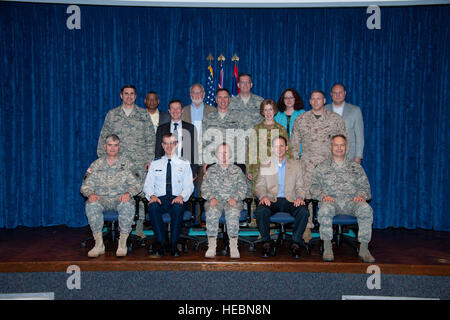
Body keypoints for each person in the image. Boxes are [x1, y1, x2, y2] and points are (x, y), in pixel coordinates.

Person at [97, 84, 155, 239]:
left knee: (140, 195)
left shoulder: (143, 114)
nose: (129, 96)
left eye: (132, 94)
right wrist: (103, 160)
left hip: (139, 163)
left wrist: (150, 160)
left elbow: (150, 139)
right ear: (121, 96)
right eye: (126, 94)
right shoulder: (112, 114)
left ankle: (139, 226)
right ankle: (119, 226)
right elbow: (104, 137)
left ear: (135, 97)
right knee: (118, 193)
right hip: (117, 164)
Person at [290, 90, 348, 243]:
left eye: (319, 99)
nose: (316, 102)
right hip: (307, 164)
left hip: (328, 165)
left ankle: (325, 228)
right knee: (307, 196)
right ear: (310, 102)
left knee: (326, 194)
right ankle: (307, 228)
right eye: (313, 99)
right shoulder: (301, 119)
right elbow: (294, 144)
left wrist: (340, 163)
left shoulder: (335, 119)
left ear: (324, 100)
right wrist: (296, 163)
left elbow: (343, 141)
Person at [310, 135, 374, 263]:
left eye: (342, 145)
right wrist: (323, 196)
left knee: (366, 209)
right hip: (331, 202)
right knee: (325, 209)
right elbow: (313, 187)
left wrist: (361, 195)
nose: (339, 148)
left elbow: (365, 187)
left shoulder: (356, 167)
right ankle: (328, 247)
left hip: (352, 202)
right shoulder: (322, 167)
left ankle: (364, 248)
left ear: (346, 147)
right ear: (331, 147)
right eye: (336, 145)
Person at [81, 134, 141, 257]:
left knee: (127, 205)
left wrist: (128, 193)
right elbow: (85, 186)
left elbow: (138, 184)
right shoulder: (96, 165)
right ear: (105, 147)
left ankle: (122, 243)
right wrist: (90, 194)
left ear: (119, 147)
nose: (112, 148)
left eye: (115, 145)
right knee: (91, 204)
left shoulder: (127, 164)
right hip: (101, 198)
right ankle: (99, 244)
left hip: (120, 198)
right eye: (109, 145)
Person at [254, 136, 309, 259]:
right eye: (276, 146)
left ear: (286, 148)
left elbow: (301, 186)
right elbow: (259, 186)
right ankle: (267, 242)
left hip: (290, 199)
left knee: (304, 212)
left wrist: (300, 197)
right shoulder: (266, 164)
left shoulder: (296, 165)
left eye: (282, 146)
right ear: (272, 148)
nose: (279, 149)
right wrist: (263, 196)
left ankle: (295, 243)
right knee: (261, 210)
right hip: (271, 199)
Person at [143, 133, 194, 257]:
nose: (169, 146)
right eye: (166, 143)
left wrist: (181, 196)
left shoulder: (184, 163)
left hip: (176, 197)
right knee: (152, 207)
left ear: (176, 144)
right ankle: (162, 242)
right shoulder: (155, 163)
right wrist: (152, 196)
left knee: (178, 207)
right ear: (162, 145)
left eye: (172, 143)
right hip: (159, 198)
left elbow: (189, 186)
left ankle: (174, 244)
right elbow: (148, 185)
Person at [201, 143, 247, 259]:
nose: (224, 155)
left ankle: (233, 246)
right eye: (221, 152)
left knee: (232, 212)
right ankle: (211, 246)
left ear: (230, 154)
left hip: (232, 201)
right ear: (216, 154)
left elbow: (243, 188)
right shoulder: (211, 171)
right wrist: (211, 197)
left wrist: (235, 198)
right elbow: (204, 188)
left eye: (226, 152)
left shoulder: (237, 170)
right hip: (215, 201)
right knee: (211, 211)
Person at [247, 99, 291, 197]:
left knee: (274, 196)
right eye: (265, 110)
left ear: (274, 111)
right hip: (258, 169)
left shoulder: (281, 129)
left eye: (270, 109)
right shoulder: (256, 128)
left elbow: (288, 150)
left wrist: (288, 168)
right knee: (258, 197)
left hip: (276, 169)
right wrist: (249, 169)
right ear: (262, 112)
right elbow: (251, 151)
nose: (268, 113)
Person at [155, 99, 198, 179]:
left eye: (178, 108)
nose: (175, 111)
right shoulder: (161, 129)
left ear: (182, 110)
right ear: (169, 111)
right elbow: (158, 151)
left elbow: (194, 151)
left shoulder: (190, 128)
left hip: (185, 169)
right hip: (166, 170)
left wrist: (194, 171)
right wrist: (158, 170)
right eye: (172, 108)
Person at [325, 83, 365, 163]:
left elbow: (359, 135)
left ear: (345, 93)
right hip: (328, 155)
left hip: (350, 155)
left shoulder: (355, 110)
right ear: (331, 94)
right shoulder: (324, 109)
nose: (338, 95)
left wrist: (358, 156)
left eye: (340, 92)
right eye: (335, 93)